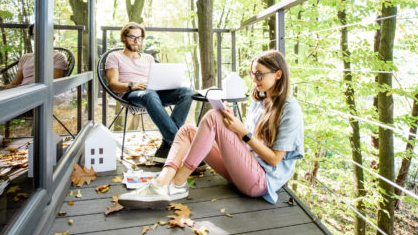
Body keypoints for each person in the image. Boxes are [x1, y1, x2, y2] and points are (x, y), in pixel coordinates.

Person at [118, 50, 304, 208]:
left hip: (260, 182)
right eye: (252, 74)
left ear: (278, 74)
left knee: (213, 118)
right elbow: (246, 145)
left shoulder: (290, 109)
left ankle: (177, 182)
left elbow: (274, 159)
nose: (254, 79)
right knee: (188, 130)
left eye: (259, 74)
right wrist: (231, 123)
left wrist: (242, 132)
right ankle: (162, 182)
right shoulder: (260, 102)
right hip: (242, 169)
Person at [105, 22, 194, 163]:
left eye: (139, 38)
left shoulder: (148, 58)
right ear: (123, 38)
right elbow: (112, 84)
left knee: (187, 92)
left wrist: (167, 84)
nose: (136, 41)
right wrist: (131, 86)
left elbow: (158, 78)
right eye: (132, 37)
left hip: (154, 92)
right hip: (133, 94)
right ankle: (181, 145)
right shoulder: (114, 57)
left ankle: (168, 144)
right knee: (149, 94)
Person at [0, 24, 68, 89]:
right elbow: (14, 84)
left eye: (41, 34)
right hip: (20, 92)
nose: (38, 38)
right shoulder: (25, 57)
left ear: (52, 37)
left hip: (38, 95)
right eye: (34, 36)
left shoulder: (58, 57)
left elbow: (53, 86)